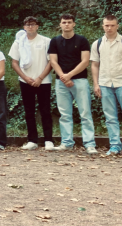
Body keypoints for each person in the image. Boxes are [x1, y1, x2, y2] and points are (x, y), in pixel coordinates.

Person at [90, 15, 122, 158]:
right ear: (102, 26)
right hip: (105, 84)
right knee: (110, 118)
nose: (109, 28)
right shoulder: (97, 44)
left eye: (112, 25)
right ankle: (115, 146)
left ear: (117, 26)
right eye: (107, 25)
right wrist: (96, 84)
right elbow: (94, 64)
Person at [48, 14, 96, 154]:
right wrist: (63, 77)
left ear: (74, 24)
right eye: (64, 22)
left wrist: (69, 75)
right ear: (60, 24)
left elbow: (85, 61)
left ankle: (89, 143)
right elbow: (53, 61)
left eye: (69, 22)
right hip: (61, 82)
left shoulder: (82, 40)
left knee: (85, 112)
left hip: (80, 80)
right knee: (65, 114)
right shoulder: (55, 41)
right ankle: (67, 143)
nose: (67, 24)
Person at [9, 16, 55, 151]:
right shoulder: (18, 43)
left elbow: (51, 62)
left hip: (43, 81)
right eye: (27, 25)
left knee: (45, 110)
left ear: (37, 26)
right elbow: (14, 63)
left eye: (33, 24)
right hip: (25, 81)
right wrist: (25, 77)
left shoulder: (46, 41)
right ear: (24, 27)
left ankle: (48, 140)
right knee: (29, 111)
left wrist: (40, 78)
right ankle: (32, 140)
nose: (30, 27)